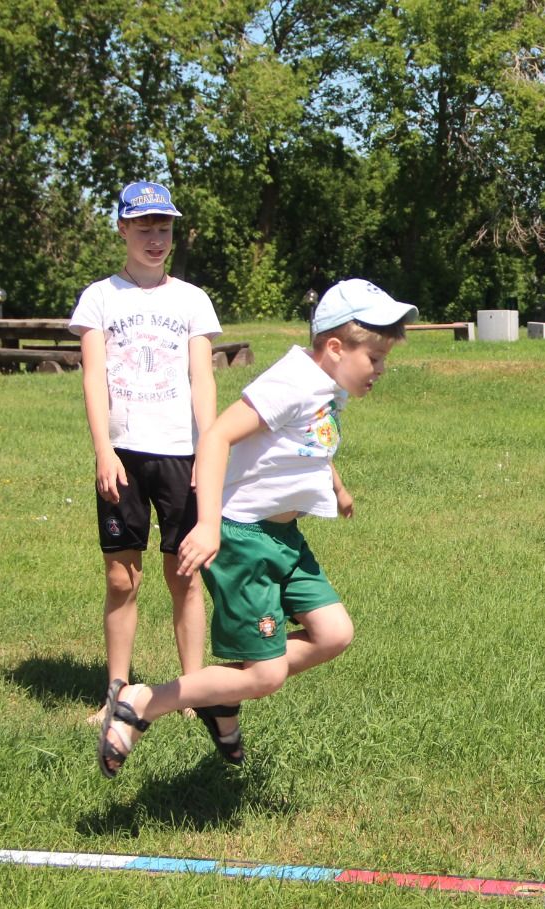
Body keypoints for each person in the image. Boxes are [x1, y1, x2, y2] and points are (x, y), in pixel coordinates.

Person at [95, 278, 416, 778]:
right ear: (334, 348)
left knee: (334, 634)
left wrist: (337, 485)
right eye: (374, 357)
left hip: (283, 539)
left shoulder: (328, 387)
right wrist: (205, 527)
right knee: (264, 676)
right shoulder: (290, 382)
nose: (381, 369)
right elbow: (219, 435)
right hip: (242, 537)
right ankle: (144, 700)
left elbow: (309, 443)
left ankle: (221, 698)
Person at [70, 181, 220, 726]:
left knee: (185, 574)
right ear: (123, 229)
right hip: (123, 455)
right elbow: (93, 378)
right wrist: (102, 450)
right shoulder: (100, 298)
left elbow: (203, 380)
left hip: (181, 453)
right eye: (145, 228)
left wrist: (208, 448)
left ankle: (191, 693)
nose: (157, 239)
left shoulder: (192, 300)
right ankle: (116, 693)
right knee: (120, 577)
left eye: (165, 228)